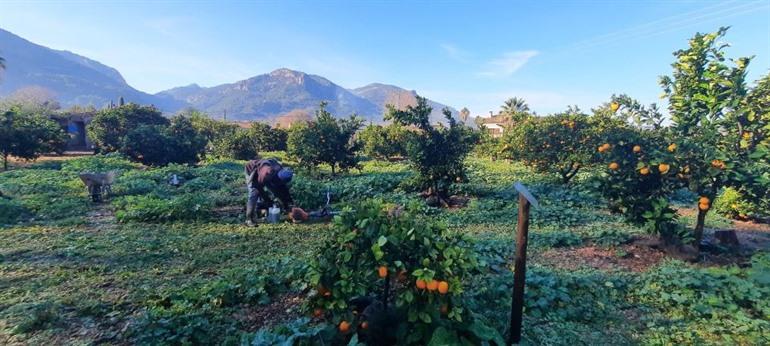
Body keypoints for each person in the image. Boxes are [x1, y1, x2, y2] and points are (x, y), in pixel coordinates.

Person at [244, 158, 294, 226]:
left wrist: (288, 204)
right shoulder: (266, 173)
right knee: (254, 193)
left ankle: (281, 208)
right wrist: (268, 201)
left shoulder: (280, 170)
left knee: (277, 189)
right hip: (252, 171)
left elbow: (283, 189)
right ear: (277, 177)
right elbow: (258, 188)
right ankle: (249, 219)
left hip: (266, 172)